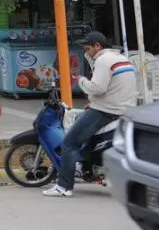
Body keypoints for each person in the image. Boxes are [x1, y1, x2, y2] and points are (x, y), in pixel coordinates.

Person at [43, 30, 137, 198]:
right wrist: (93, 102)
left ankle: (63, 186)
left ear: (97, 46)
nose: (86, 53)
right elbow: (113, 88)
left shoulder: (103, 60)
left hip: (105, 111)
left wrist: (80, 80)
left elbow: (97, 87)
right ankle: (89, 168)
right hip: (121, 109)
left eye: (87, 49)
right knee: (82, 126)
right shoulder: (122, 59)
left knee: (69, 143)